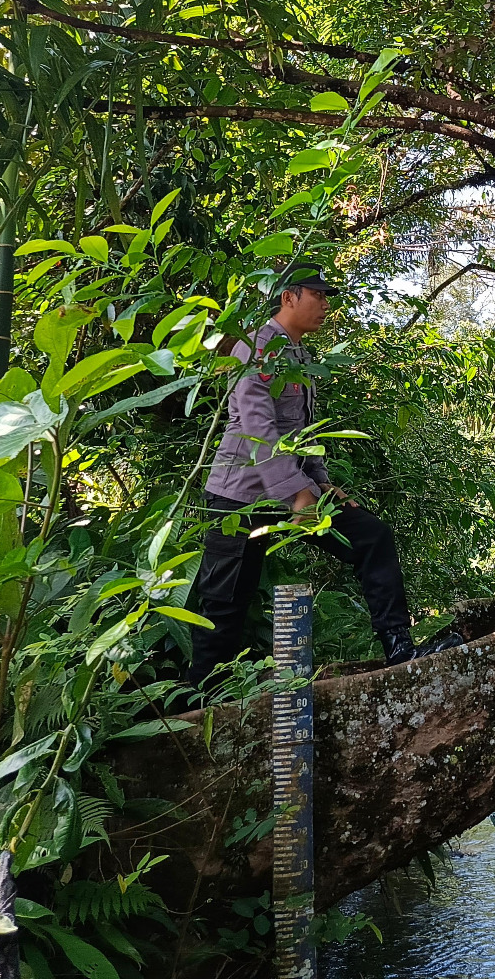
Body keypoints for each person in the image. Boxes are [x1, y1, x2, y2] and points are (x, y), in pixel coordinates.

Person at [186, 264, 461, 689]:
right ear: (288, 297)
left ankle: (399, 649)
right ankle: (200, 702)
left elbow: (301, 429)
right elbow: (258, 428)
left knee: (372, 537)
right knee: (224, 604)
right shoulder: (257, 348)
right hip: (240, 496)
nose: (325, 304)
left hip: (297, 490)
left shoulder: (300, 354)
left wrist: (321, 481)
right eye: (317, 295)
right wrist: (299, 494)